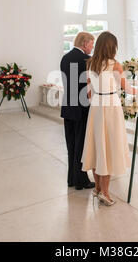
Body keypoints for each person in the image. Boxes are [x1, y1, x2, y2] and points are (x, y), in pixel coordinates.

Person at [82, 31, 138, 206]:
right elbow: (128, 89)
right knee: (108, 148)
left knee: (97, 146)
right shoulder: (115, 65)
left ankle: (98, 188)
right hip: (111, 108)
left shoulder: (90, 64)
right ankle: (105, 193)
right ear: (112, 47)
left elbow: (89, 91)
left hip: (96, 107)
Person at [60, 32, 96, 190]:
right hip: (82, 108)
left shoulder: (65, 58)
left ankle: (71, 179)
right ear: (85, 42)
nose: (92, 46)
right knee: (81, 146)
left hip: (68, 107)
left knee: (71, 145)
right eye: (91, 43)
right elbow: (88, 85)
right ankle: (81, 180)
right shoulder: (86, 60)